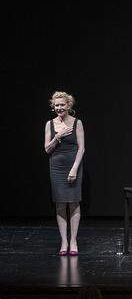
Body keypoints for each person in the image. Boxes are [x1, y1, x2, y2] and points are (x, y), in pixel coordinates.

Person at [44, 91, 85, 256]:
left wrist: (75, 168)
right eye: (56, 105)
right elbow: (47, 149)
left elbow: (81, 148)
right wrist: (58, 137)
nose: (59, 107)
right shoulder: (50, 124)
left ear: (69, 105)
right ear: (53, 107)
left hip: (73, 165)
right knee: (60, 204)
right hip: (56, 168)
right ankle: (64, 241)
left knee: (74, 202)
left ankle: (73, 241)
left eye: (62, 104)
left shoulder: (77, 123)